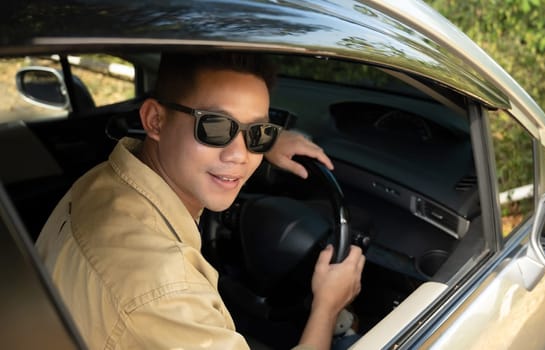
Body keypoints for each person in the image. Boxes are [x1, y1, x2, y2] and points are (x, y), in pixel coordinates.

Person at [35, 52, 365, 350]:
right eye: (215, 126)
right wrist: (328, 306)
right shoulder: (167, 290)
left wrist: (269, 142)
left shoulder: (102, 180)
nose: (239, 155)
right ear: (155, 120)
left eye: (258, 132)